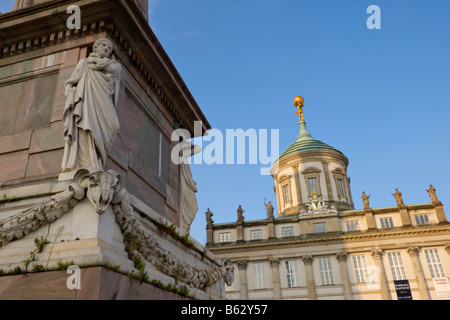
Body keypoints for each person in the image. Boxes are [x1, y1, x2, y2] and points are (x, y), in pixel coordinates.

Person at [62, 38, 122, 171]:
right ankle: (88, 162)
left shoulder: (112, 66)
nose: (107, 49)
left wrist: (97, 62)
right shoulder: (84, 63)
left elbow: (117, 69)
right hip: (87, 102)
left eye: (110, 49)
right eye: (104, 46)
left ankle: (97, 159)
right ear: (95, 48)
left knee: (114, 125)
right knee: (86, 126)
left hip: (103, 102)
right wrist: (70, 91)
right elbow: (71, 81)